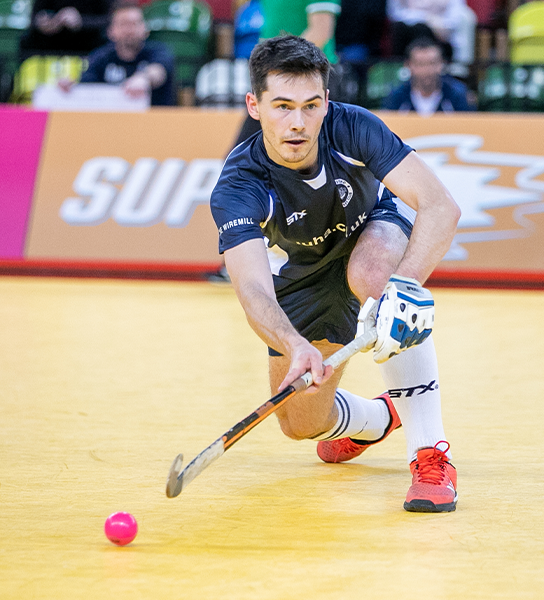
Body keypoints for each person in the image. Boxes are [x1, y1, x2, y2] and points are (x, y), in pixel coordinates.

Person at [209, 36, 463, 512]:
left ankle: (431, 453)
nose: (298, 122)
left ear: (326, 102)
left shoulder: (352, 127)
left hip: (371, 231)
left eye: (310, 105)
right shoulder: (239, 184)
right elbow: (251, 286)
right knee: (300, 424)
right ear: (255, 105)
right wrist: (294, 345)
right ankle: (378, 417)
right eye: (282, 106)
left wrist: (404, 289)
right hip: (304, 273)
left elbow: (440, 206)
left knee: (374, 277)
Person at [75, 1, 176, 106]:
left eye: (134, 24)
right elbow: (85, 86)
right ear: (111, 31)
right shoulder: (101, 56)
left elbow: (159, 71)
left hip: (154, 119)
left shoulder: (158, 51)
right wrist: (71, 88)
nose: (129, 30)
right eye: (123, 24)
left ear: (145, 29)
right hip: (112, 119)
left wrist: (144, 78)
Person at [383, 38, 474, 115]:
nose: (426, 70)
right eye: (420, 64)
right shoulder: (396, 97)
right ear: (409, 65)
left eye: (432, 63)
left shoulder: (457, 95)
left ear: (441, 64)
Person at [387, 0, 467, 62]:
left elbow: (454, 21)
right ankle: (402, 68)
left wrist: (434, 24)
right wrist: (427, 18)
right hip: (409, 32)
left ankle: (431, 67)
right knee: (403, 27)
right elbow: (395, 13)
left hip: (442, 36)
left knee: (422, 29)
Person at [22, 0, 111, 53]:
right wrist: (45, 22)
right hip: (52, 37)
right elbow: (34, 18)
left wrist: (81, 21)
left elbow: (109, 19)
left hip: (88, 38)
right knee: (26, 39)